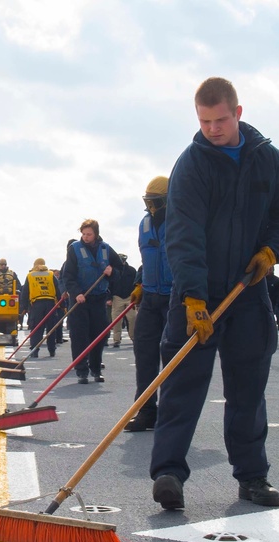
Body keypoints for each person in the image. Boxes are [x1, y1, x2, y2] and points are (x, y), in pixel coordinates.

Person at [150, 76, 279, 512]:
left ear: (238, 113)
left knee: (248, 388)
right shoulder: (192, 165)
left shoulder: (268, 161)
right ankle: (168, 475)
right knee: (181, 385)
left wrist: (273, 250)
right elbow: (183, 235)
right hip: (196, 296)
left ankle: (253, 477)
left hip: (248, 292)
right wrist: (194, 299)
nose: (212, 129)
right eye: (204, 121)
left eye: (219, 120)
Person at [124, 176, 172, 433]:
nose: (152, 208)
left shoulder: (182, 220)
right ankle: (145, 411)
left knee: (173, 357)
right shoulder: (144, 225)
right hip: (151, 298)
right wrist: (140, 283)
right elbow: (147, 258)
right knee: (144, 355)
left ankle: (172, 414)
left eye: (157, 202)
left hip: (175, 299)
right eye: (148, 202)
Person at [62, 220, 123, 383]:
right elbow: (68, 276)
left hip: (99, 298)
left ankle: (96, 368)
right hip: (80, 300)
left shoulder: (106, 249)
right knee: (79, 335)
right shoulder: (74, 250)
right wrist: (76, 293)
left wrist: (113, 272)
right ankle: (81, 370)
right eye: (83, 234)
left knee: (99, 335)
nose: (85, 237)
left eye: (89, 234)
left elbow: (120, 270)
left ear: (95, 234)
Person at [19, 258, 61, 358]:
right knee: (51, 328)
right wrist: (61, 304)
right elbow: (58, 289)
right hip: (50, 303)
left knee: (36, 328)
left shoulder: (30, 275)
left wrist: (24, 307)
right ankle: (51, 350)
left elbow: (25, 293)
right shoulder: (50, 274)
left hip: (37, 304)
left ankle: (34, 350)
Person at [109, 253, 138, 347]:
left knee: (133, 318)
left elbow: (137, 283)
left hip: (130, 297)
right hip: (117, 297)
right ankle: (116, 339)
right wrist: (109, 298)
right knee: (116, 320)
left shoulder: (132, 270)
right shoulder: (113, 271)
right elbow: (108, 285)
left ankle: (134, 337)